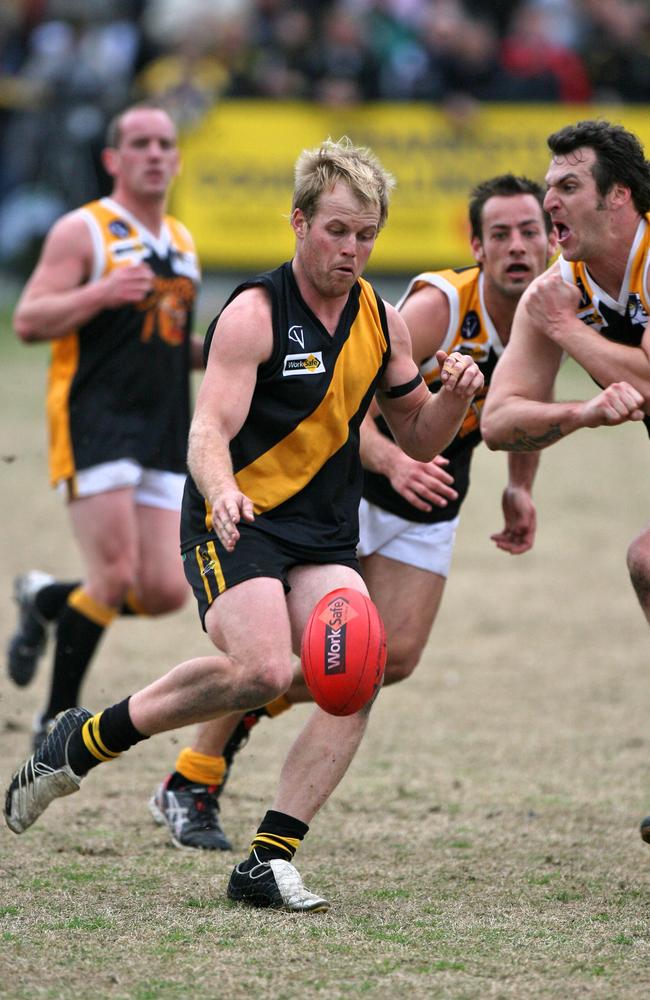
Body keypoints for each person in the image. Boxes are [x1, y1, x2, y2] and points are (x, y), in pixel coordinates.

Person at [4, 136, 484, 913]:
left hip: (321, 530)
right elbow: (208, 430)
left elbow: (418, 436)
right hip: (238, 520)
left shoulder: (381, 320)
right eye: (336, 230)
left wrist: (456, 398)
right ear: (298, 223)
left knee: (356, 673)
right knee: (262, 670)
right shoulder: (256, 312)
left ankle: (267, 858)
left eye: (366, 235)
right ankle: (80, 743)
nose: (351, 250)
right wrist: (223, 493)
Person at [152, 173, 554, 845]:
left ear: (552, 240)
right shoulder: (437, 309)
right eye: (501, 234)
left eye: (530, 231)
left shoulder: (554, 310)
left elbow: (520, 408)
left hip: (433, 493)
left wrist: (520, 482)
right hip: (355, 485)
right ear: (476, 247)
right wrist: (394, 460)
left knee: (390, 659)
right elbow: (351, 404)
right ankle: (194, 774)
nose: (518, 246)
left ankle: (251, 709)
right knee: (293, 652)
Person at [5, 102, 209, 802]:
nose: (155, 154)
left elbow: (165, 339)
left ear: (177, 160)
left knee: (158, 592)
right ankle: (52, 720)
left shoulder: (182, 239)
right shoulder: (83, 229)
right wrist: (99, 290)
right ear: (113, 159)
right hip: (95, 418)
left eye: (165, 144)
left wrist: (228, 353)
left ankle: (45, 599)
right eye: (140, 144)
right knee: (115, 572)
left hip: (163, 426)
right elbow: (29, 319)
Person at [478, 120, 650, 837]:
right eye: (548, 185)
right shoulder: (558, 286)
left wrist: (569, 333)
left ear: (620, 199)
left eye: (568, 186)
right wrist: (581, 410)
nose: (550, 200)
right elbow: (498, 421)